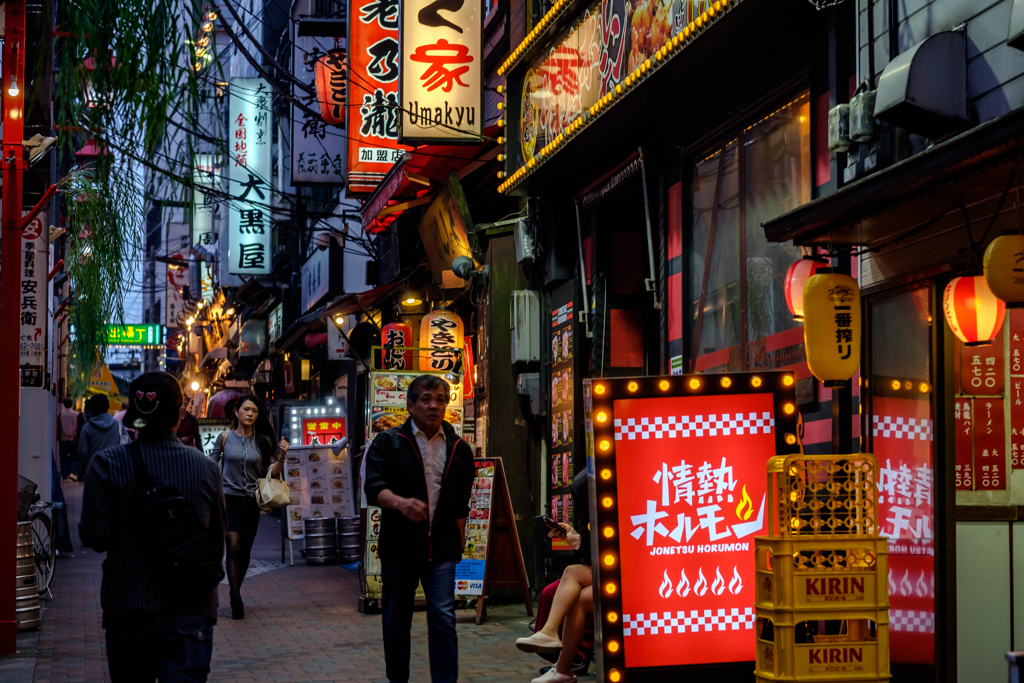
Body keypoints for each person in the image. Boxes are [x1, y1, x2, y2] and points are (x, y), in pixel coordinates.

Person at [79, 371, 226, 683]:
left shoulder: (106, 465)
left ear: (133, 415)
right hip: (192, 608)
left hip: (128, 606)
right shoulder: (207, 468)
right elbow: (216, 544)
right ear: (180, 412)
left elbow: (95, 536)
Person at [364, 375, 475, 683]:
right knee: (396, 621)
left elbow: (461, 500)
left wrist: (459, 538)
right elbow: (373, 489)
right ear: (409, 405)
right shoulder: (388, 442)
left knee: (442, 619)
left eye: (440, 400)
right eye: (426, 399)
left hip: (441, 549)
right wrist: (401, 503)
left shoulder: (459, 448)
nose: (434, 406)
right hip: (399, 548)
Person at [210, 394, 289, 619]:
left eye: (254, 411)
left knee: (244, 551)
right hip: (228, 499)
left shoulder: (262, 440)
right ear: (237, 412)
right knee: (233, 544)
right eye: (246, 409)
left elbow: (269, 472)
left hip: (251, 502)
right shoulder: (224, 438)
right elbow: (212, 462)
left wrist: (282, 457)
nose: (250, 414)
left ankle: (236, 590)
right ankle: (235, 596)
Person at [517, 472, 593, 683]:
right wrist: (576, 540)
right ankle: (563, 667)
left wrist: (577, 542)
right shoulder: (593, 518)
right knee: (579, 596)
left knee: (571, 573)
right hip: (607, 573)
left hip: (629, 574)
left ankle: (553, 639)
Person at [77, 395, 129, 479]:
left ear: (91, 409)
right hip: (115, 471)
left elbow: (82, 452)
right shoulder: (119, 426)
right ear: (108, 407)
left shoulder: (86, 428)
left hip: (93, 472)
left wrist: (87, 466)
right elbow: (126, 447)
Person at [57, 397, 79, 482]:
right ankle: (72, 473)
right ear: (72, 404)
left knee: (63, 458)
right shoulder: (76, 414)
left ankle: (65, 477)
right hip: (73, 439)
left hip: (63, 438)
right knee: (74, 457)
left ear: (64, 404)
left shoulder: (60, 413)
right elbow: (76, 426)